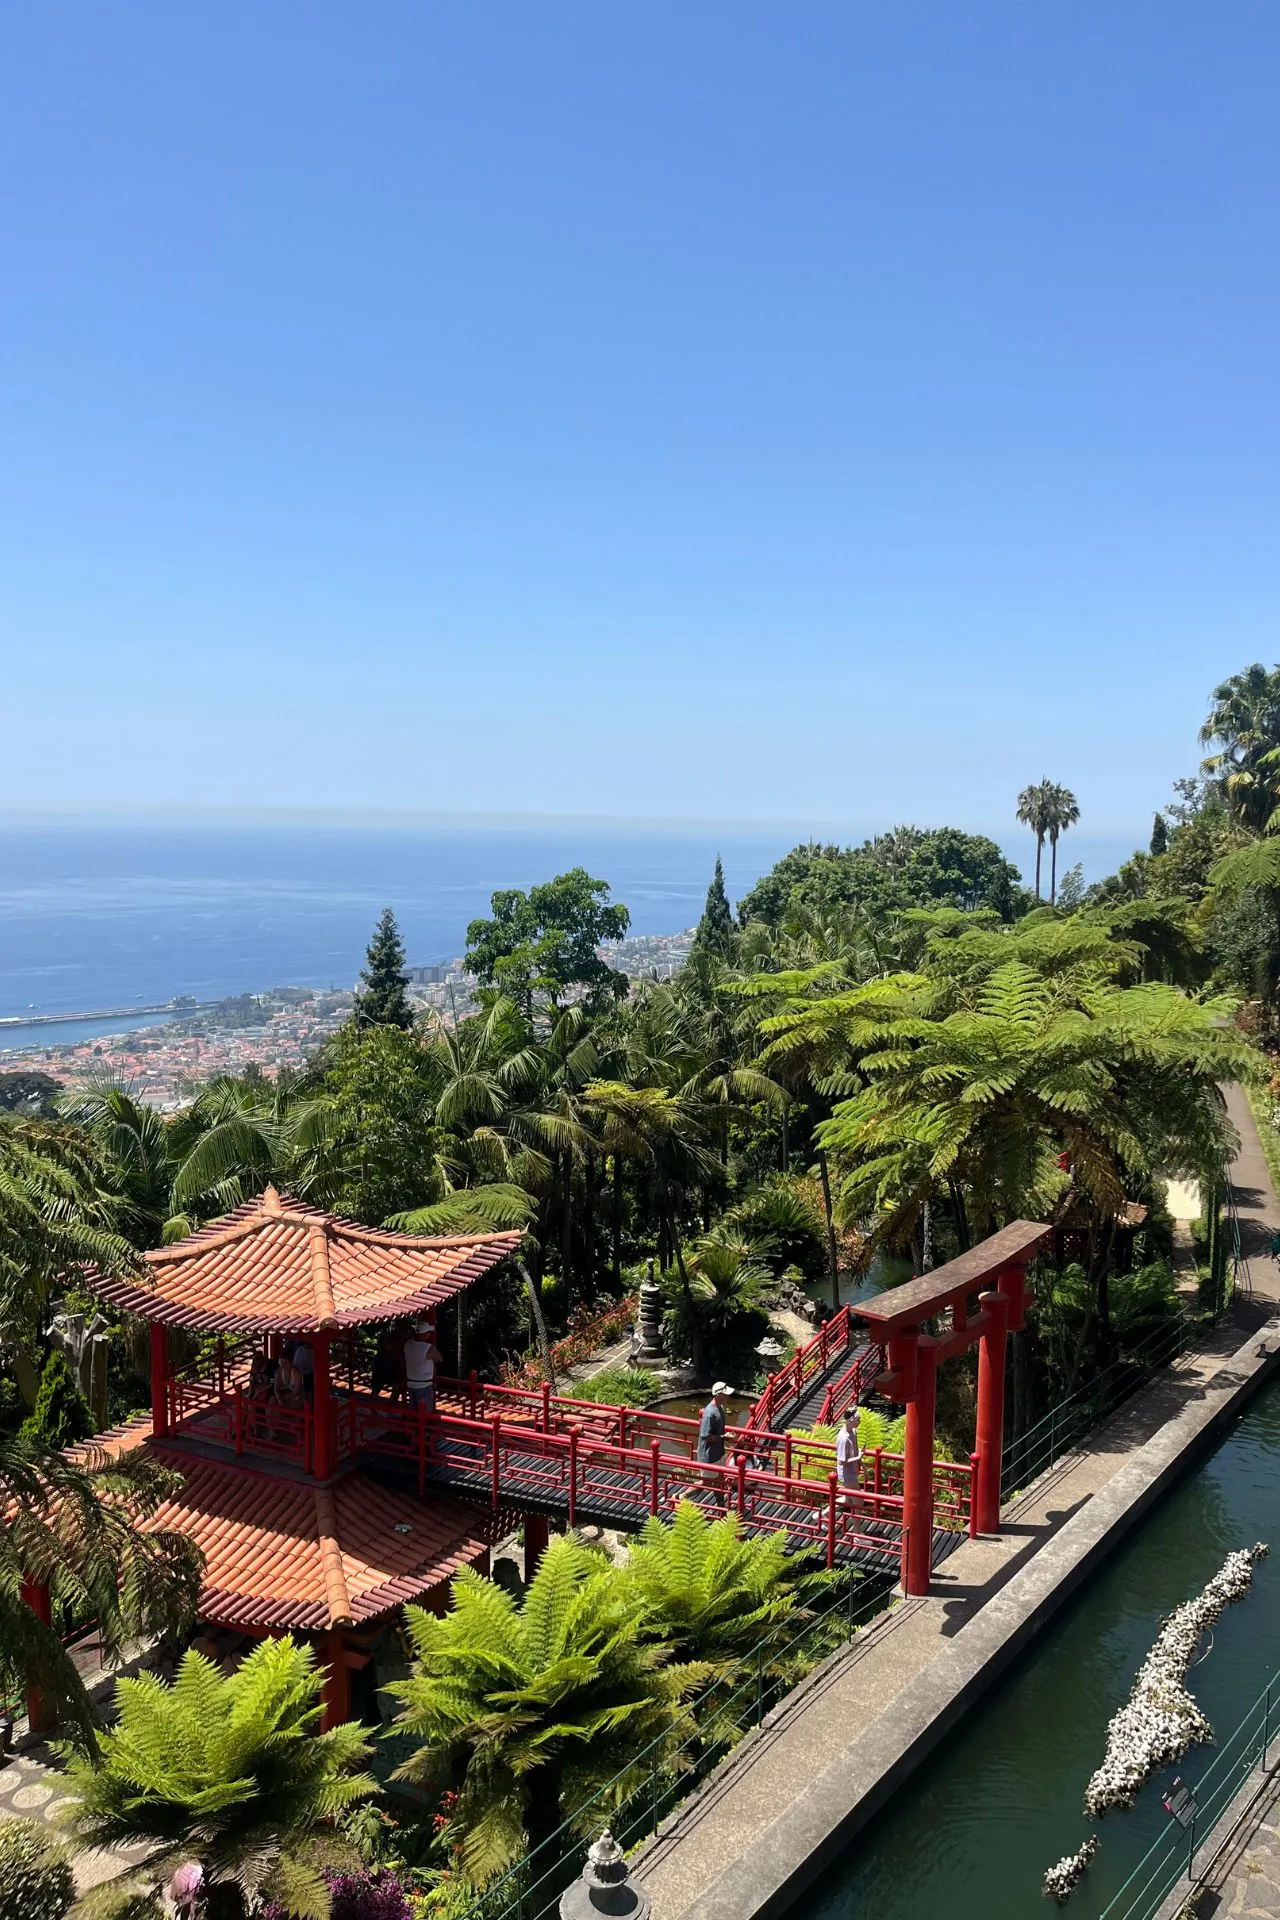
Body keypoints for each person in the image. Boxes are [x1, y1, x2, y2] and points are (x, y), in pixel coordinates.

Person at [697, 1382, 732, 1508]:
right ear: (718, 1395)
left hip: (718, 1452)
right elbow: (705, 1436)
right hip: (708, 1456)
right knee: (705, 1483)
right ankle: (681, 1497)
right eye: (725, 1394)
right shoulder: (709, 1413)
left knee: (719, 1481)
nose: (728, 1397)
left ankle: (721, 1507)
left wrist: (724, 1436)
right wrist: (723, 1437)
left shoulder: (720, 1408)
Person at [403, 1318, 440, 1411]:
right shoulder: (429, 1348)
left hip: (411, 1383)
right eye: (429, 1332)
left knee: (413, 1409)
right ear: (426, 1334)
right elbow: (439, 1358)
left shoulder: (407, 1344)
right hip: (424, 1384)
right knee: (425, 1412)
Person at [836, 1405, 862, 1507]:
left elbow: (855, 1450)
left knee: (848, 1500)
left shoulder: (853, 1431)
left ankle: (821, 1514)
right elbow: (842, 1461)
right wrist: (858, 1457)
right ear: (851, 1420)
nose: (859, 1421)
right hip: (847, 1474)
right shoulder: (844, 1438)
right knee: (858, 1502)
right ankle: (857, 1524)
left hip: (852, 1470)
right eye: (858, 1419)